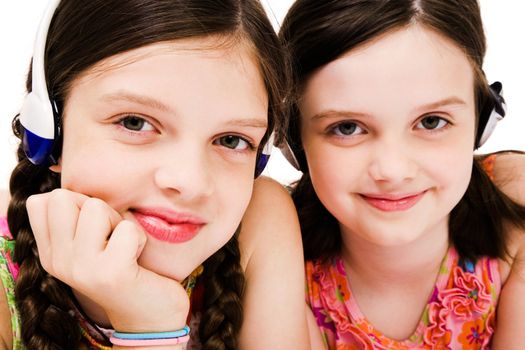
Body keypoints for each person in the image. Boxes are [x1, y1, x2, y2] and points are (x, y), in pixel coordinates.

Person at [0, 0, 308, 349]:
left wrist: (149, 328)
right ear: (48, 133)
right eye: (135, 122)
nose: (190, 182)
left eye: (231, 140)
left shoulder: (259, 220)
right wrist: (150, 327)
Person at [279, 0, 525, 348]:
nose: (392, 171)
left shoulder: (516, 229)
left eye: (431, 122)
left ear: (482, 122)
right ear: (293, 140)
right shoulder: (276, 254)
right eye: (347, 128)